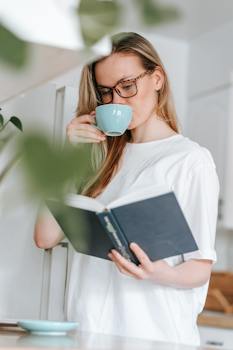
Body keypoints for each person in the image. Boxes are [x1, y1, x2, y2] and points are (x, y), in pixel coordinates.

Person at [34, 32, 220, 346]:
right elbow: (45, 237)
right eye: (106, 92)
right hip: (88, 333)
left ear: (157, 78)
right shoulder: (99, 157)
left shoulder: (190, 160)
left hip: (151, 336)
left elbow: (200, 268)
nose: (117, 101)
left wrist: (157, 272)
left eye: (127, 86)